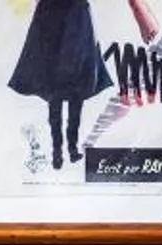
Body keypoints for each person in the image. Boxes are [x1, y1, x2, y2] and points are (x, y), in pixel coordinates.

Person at [9, 0, 113, 171]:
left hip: (66, 20)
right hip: (62, 21)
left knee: (66, 94)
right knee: (64, 94)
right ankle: (62, 151)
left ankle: (65, 151)